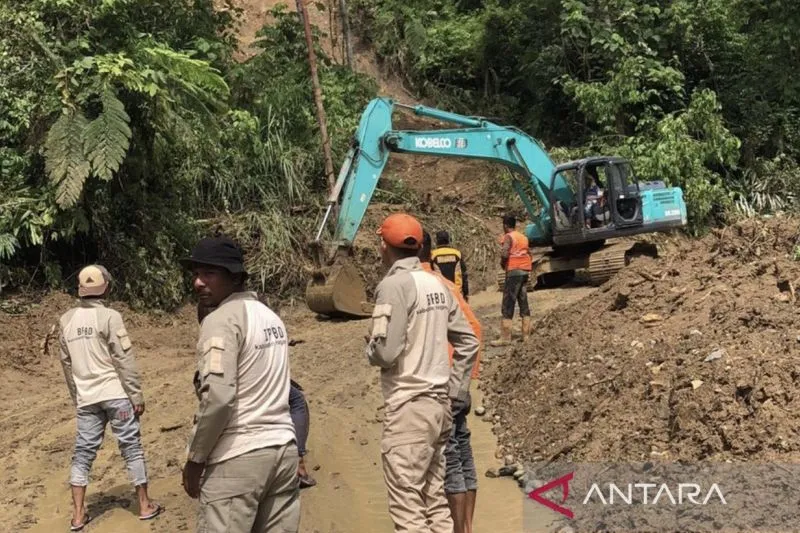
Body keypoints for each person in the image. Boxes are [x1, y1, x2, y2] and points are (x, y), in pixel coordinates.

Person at [365, 213, 479, 533]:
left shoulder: (392, 286)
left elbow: (386, 353)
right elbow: (468, 341)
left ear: (384, 246)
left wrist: (370, 348)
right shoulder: (436, 284)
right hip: (439, 406)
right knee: (434, 500)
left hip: (408, 408)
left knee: (408, 507)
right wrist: (457, 391)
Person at [180, 236, 299, 533]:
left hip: (239, 455)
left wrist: (195, 459)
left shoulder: (221, 321)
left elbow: (219, 398)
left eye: (209, 274)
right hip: (282, 450)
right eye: (196, 274)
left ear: (234, 277)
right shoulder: (271, 318)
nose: (198, 282)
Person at [58, 265, 162, 531]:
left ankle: (79, 515)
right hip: (116, 394)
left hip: (87, 398)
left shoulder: (66, 320)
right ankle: (144, 505)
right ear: (106, 287)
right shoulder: (110, 317)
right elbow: (123, 359)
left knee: (82, 454)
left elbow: (66, 365)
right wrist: (136, 394)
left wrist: (77, 397)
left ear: (80, 289)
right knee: (131, 447)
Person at [196, 302, 316, 490]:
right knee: (297, 401)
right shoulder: (246, 313)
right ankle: (298, 462)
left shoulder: (215, 318)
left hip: (225, 381)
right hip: (248, 381)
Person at [420, 231, 480, 533]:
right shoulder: (448, 282)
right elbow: (474, 328)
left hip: (443, 385)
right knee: (464, 456)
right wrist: (466, 380)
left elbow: (471, 332)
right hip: (457, 382)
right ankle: (467, 527)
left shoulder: (425, 287)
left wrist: (455, 385)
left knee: (450, 461)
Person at [491, 215, 532, 346]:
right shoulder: (523, 237)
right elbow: (529, 253)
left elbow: (504, 253)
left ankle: (505, 337)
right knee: (523, 301)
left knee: (508, 303)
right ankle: (526, 335)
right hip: (524, 270)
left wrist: (503, 264)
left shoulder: (509, 237)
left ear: (505, 225)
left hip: (513, 271)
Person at [431, 230, 469, 301]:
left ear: (437, 241)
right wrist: (466, 293)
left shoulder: (432, 255)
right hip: (457, 294)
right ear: (449, 240)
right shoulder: (457, 254)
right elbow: (464, 275)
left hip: (441, 295)